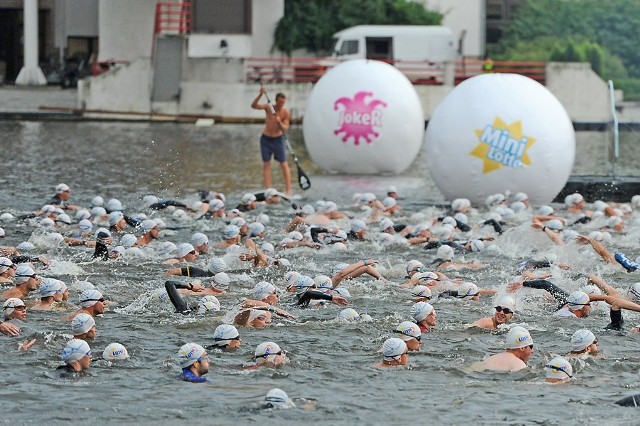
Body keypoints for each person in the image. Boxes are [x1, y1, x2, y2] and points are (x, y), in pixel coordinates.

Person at [251, 86, 292, 195]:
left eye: (283, 103)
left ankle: (288, 190)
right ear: (276, 101)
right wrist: (260, 94)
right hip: (266, 139)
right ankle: (268, 190)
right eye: (279, 102)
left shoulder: (285, 113)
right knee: (267, 164)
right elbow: (254, 106)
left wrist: (280, 122)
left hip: (278, 140)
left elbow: (286, 128)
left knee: (284, 164)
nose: (281, 105)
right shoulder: (269, 108)